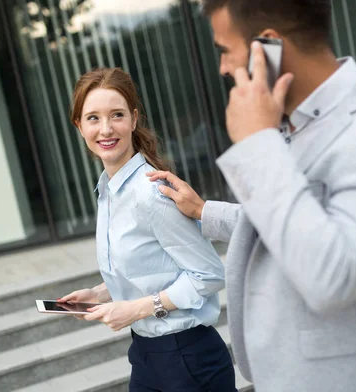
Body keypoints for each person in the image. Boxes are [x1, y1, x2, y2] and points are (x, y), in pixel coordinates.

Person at [147, 0, 356, 391]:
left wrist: (256, 145)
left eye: (224, 50)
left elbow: (333, 273)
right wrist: (204, 211)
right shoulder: (288, 122)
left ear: (267, 46)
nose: (221, 67)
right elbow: (300, 221)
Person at [58, 67, 236, 391]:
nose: (106, 128)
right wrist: (99, 293)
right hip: (145, 354)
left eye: (117, 115)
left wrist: (136, 309)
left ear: (134, 119)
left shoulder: (152, 192)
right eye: (93, 118)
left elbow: (210, 274)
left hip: (188, 358)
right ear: (78, 125)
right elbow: (151, 266)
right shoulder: (109, 191)